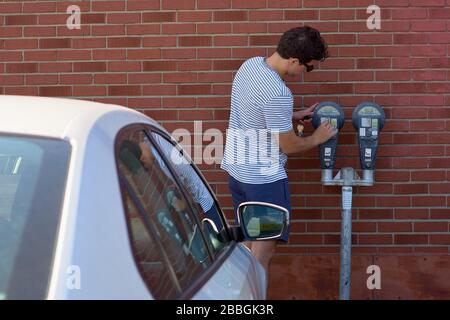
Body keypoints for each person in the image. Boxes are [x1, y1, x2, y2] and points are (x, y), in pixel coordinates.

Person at [220, 26, 337, 275]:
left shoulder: (250, 66)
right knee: (262, 255)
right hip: (264, 183)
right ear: (294, 60)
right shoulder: (278, 93)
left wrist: (292, 116)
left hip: (238, 174)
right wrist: (318, 137)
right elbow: (289, 145)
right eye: (309, 67)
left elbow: (253, 110)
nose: (307, 73)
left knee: (247, 247)